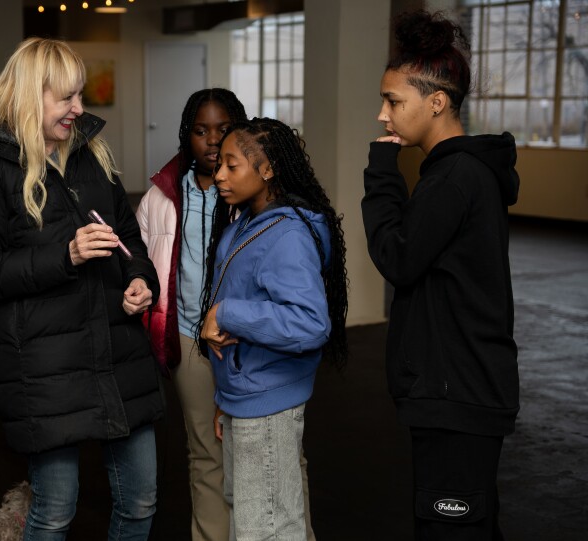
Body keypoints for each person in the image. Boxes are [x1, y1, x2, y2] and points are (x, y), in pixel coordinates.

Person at [0, 37, 164, 540]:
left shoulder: (92, 156)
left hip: (117, 354)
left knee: (142, 501)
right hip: (44, 366)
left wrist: (139, 281)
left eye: (80, 95)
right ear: (28, 95)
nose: (79, 109)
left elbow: (130, 240)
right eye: (65, 97)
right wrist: (65, 254)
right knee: (56, 509)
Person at [361, 10, 519, 541]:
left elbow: (398, 258)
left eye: (393, 101)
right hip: (459, 390)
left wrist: (381, 176)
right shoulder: (456, 173)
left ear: (436, 102)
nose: (384, 116)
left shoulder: (454, 178)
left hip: (459, 395)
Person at [199, 118, 349, 540]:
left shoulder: (287, 235)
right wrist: (226, 397)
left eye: (232, 165)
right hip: (245, 397)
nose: (221, 174)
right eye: (219, 165)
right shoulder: (249, 220)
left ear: (266, 170)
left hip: (266, 404)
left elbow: (310, 322)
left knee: (265, 528)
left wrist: (227, 314)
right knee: (255, 521)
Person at [136, 88, 246, 541]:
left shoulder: (249, 189)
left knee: (251, 450)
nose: (213, 141)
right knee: (204, 451)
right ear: (187, 134)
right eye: (202, 131)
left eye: (223, 130)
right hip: (186, 337)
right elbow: (143, 260)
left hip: (244, 342)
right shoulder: (162, 195)